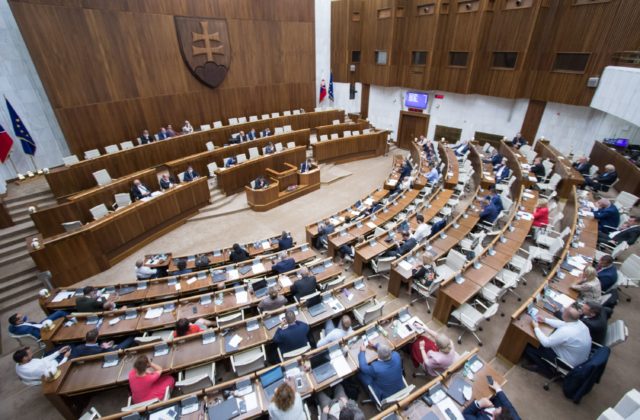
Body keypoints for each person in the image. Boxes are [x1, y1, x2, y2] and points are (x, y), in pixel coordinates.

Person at [524, 306, 591, 372]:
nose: (562, 311)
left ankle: (543, 368)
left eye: (564, 311)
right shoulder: (580, 323)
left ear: (565, 316)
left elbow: (546, 343)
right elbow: (563, 324)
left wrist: (536, 327)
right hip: (579, 359)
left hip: (568, 364)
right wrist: (545, 320)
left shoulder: (566, 331)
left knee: (530, 347)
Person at [70, 328, 135, 358]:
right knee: (131, 338)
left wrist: (103, 346)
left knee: (107, 340)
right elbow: (114, 352)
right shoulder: (100, 350)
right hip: (112, 352)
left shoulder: (77, 348)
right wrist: (108, 347)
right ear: (96, 339)